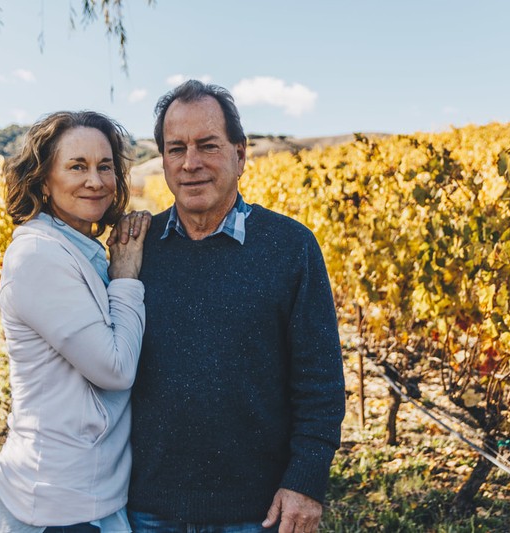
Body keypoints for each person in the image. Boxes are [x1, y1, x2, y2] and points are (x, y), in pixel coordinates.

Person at [123, 80, 346, 532]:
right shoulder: (135, 249)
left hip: (258, 514)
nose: (190, 163)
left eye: (208, 145)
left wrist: (306, 481)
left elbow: (320, 381)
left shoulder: (290, 247)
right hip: (148, 509)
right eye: (175, 149)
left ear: (240, 155)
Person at [0, 110, 150, 533]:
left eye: (105, 166)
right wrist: (125, 278)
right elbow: (114, 368)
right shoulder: (39, 256)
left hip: (88, 494)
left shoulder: (78, 248)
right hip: (60, 502)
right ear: (44, 180)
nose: (95, 180)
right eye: (77, 166)